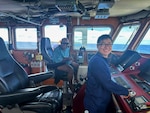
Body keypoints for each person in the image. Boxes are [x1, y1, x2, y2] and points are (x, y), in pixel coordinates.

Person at [84, 34, 129, 113]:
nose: (106, 46)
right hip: (96, 101)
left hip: (99, 97)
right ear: (98, 46)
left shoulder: (102, 59)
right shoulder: (97, 62)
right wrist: (126, 91)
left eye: (109, 44)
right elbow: (107, 83)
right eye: (103, 44)